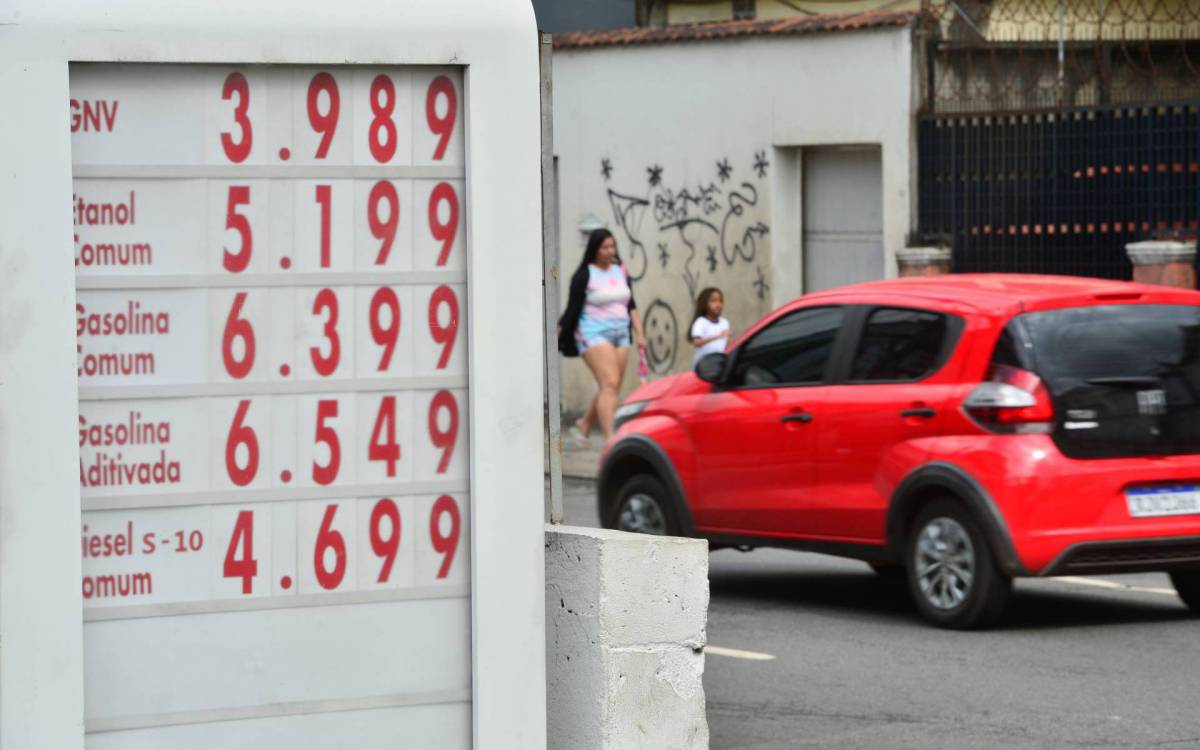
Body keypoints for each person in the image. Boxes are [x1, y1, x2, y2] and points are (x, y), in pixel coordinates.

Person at [558, 228, 647, 444]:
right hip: (593, 333)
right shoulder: (584, 275)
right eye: (604, 247)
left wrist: (640, 333)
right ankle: (610, 440)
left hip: (621, 334)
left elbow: (631, 304)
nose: (609, 251)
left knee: (610, 386)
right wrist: (556, 336)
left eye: (612, 246)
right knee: (609, 383)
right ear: (594, 249)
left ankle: (585, 423)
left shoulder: (621, 271)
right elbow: (571, 310)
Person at [690, 287, 731, 368]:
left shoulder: (725, 322)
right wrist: (718, 336)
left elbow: (725, 345)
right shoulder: (701, 322)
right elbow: (696, 342)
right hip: (703, 368)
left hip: (719, 365)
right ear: (705, 304)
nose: (718, 304)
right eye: (713, 301)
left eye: (720, 301)